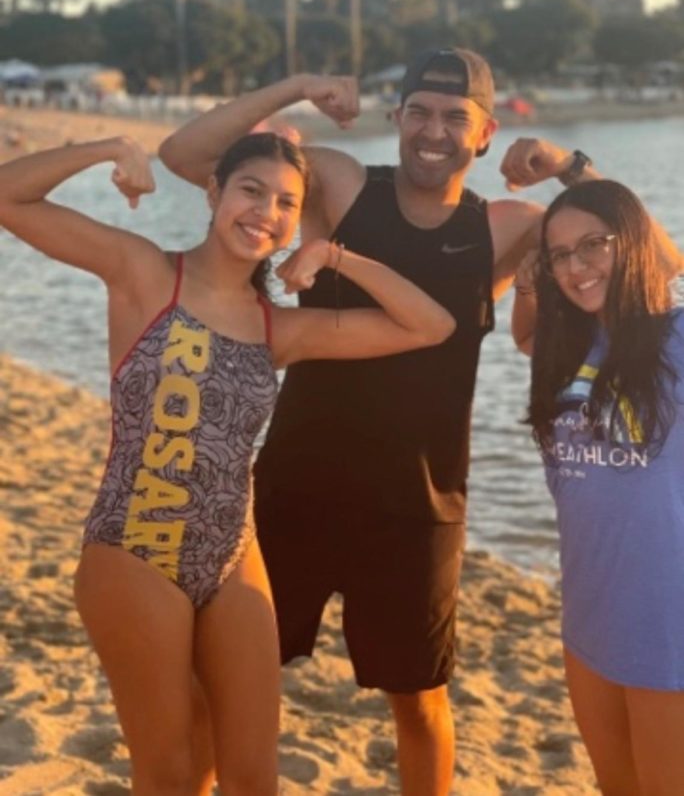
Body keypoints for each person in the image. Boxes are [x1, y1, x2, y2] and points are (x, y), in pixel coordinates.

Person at [158, 48, 600, 795]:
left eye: (455, 119)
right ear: (396, 119)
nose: (434, 132)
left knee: (420, 703)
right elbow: (183, 155)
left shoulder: (508, 227)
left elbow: (640, 253)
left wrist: (568, 164)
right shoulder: (339, 185)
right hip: (295, 487)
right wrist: (299, 87)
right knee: (230, 679)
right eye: (419, 113)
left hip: (417, 504)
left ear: (485, 134)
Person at [0, 132, 456, 796]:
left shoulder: (277, 328)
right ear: (214, 192)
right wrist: (107, 149)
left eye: (286, 203)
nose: (265, 212)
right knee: (170, 775)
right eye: (250, 190)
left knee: (253, 779)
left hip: (233, 556)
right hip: (133, 549)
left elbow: (430, 325)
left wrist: (337, 258)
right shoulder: (144, 271)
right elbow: (10, 197)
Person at [512, 179, 684, 795]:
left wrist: (570, 168)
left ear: (633, 242)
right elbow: (523, 333)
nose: (577, 266)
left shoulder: (676, 336)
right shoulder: (570, 349)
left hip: (669, 628)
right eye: (560, 254)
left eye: (594, 245)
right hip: (589, 618)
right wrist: (534, 276)